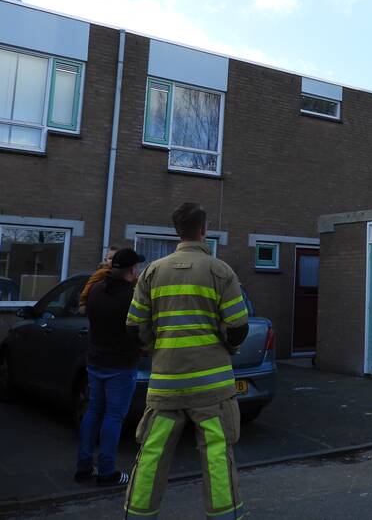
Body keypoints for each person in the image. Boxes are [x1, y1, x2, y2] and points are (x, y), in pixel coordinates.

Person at [124, 203, 249, 519]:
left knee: (152, 453)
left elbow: (134, 327)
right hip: (212, 388)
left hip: (166, 385)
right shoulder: (220, 271)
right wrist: (225, 345)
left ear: (177, 231)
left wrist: (155, 348)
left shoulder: (152, 272)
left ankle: (138, 514)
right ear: (203, 230)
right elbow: (238, 327)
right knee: (217, 454)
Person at [75, 247, 146, 486]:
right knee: (113, 417)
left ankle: (83, 467)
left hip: (96, 361)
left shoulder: (96, 290)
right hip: (121, 365)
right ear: (132, 269)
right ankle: (107, 472)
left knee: (93, 411)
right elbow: (138, 331)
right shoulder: (131, 297)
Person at [79, 245, 119, 314]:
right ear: (105, 260)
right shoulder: (102, 272)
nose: (113, 261)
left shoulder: (120, 273)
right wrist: (82, 303)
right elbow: (88, 286)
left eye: (116, 258)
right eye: (110, 258)